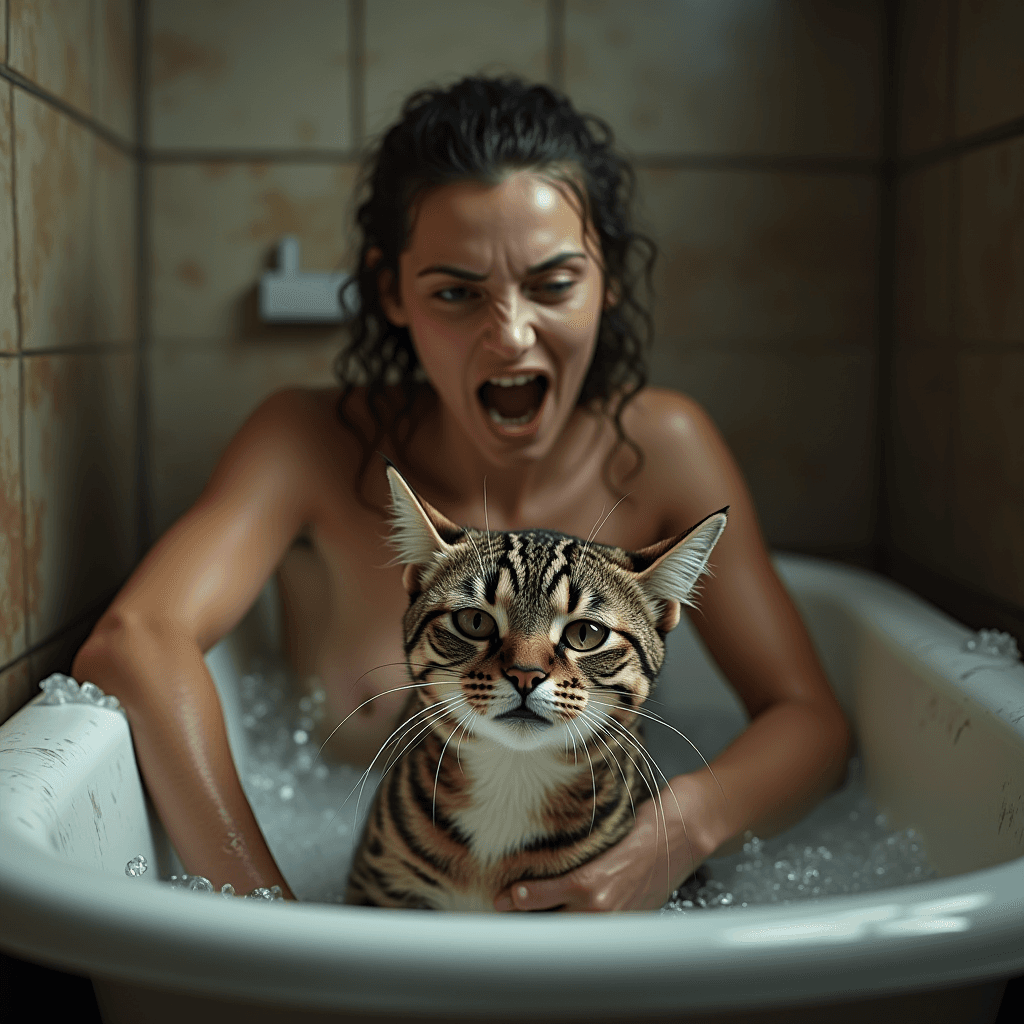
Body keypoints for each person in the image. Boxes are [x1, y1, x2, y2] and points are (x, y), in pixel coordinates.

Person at [72, 77, 850, 911]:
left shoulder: (668, 449)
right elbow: (134, 642)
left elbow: (810, 721)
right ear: (392, 291)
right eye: (456, 292)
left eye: (553, 284)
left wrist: (677, 829)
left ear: (609, 281)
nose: (510, 335)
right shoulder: (311, 443)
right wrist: (270, 922)